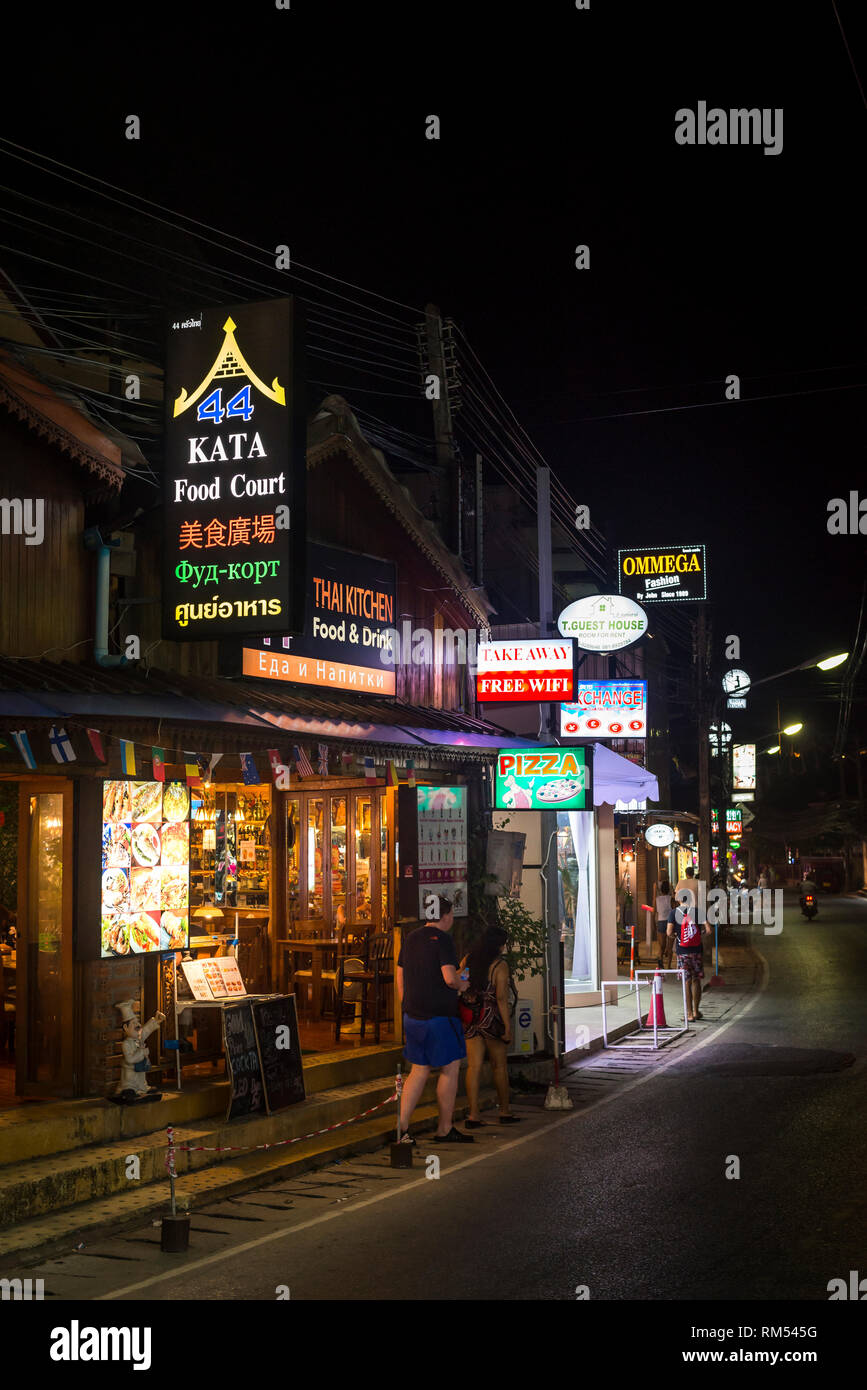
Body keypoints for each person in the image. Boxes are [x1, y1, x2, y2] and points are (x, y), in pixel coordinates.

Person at [395, 895, 474, 1145]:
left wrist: (406, 1003)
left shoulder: (410, 938)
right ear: (446, 915)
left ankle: (402, 1128)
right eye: (451, 914)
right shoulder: (443, 940)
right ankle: (444, 1128)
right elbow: (450, 978)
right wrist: (463, 984)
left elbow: (400, 974)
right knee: (450, 1069)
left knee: (418, 1070)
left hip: (412, 1014)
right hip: (440, 1016)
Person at [460, 927, 519, 1127]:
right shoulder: (499, 966)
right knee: (499, 1066)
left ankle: (473, 1115)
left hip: (470, 1018)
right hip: (491, 1018)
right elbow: (501, 998)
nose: (504, 947)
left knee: (474, 1066)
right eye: (504, 943)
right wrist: (507, 1028)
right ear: (499, 945)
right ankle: (504, 1111)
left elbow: (461, 982)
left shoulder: (468, 960)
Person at [667, 903, 712, 1022]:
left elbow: (668, 932)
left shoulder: (673, 913)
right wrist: (699, 934)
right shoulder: (698, 911)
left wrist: (676, 936)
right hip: (696, 951)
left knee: (686, 981)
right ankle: (697, 1011)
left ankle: (689, 1014)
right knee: (696, 980)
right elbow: (709, 930)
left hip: (682, 952)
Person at [655, 879, 674, 969]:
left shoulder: (657, 899)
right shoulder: (671, 899)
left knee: (661, 946)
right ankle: (669, 966)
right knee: (670, 946)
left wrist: (654, 924)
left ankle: (660, 960)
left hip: (660, 922)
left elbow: (654, 912)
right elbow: (675, 909)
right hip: (670, 922)